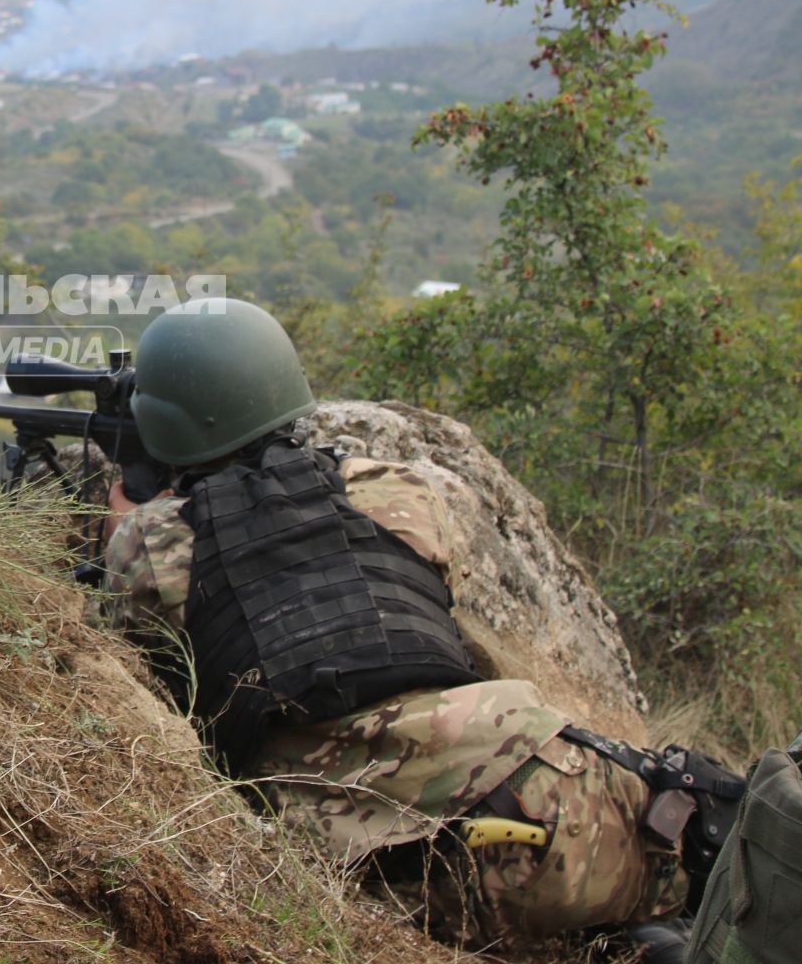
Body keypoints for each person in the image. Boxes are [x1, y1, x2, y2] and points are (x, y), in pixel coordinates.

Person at [91, 297, 741, 958]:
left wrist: (126, 527)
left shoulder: (151, 547)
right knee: (725, 871)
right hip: (561, 778)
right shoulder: (410, 491)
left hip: (418, 846)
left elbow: (129, 639)